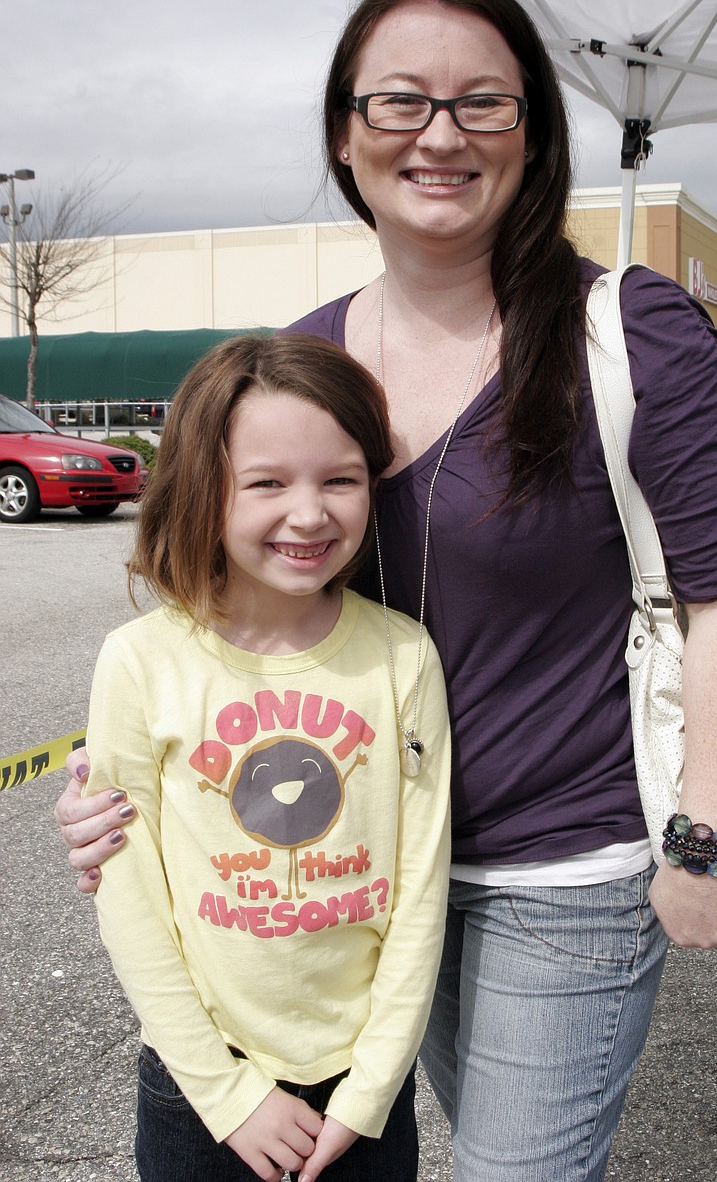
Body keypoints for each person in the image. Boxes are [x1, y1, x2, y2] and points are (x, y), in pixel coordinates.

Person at [56, 0, 717, 1182]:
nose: (438, 136)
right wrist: (123, 782)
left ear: (533, 134)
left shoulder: (632, 332)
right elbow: (232, 612)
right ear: (347, 134)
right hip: (358, 865)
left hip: (563, 865)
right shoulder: (311, 357)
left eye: (482, 104)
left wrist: (708, 839)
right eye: (398, 102)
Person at [79, 332, 451, 1182]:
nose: (310, 512)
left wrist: (370, 1090)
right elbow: (131, 902)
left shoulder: (403, 658)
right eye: (267, 483)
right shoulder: (139, 660)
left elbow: (420, 890)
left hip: (361, 1096)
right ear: (203, 490)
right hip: (199, 1089)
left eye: (342, 479)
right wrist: (225, 1092)